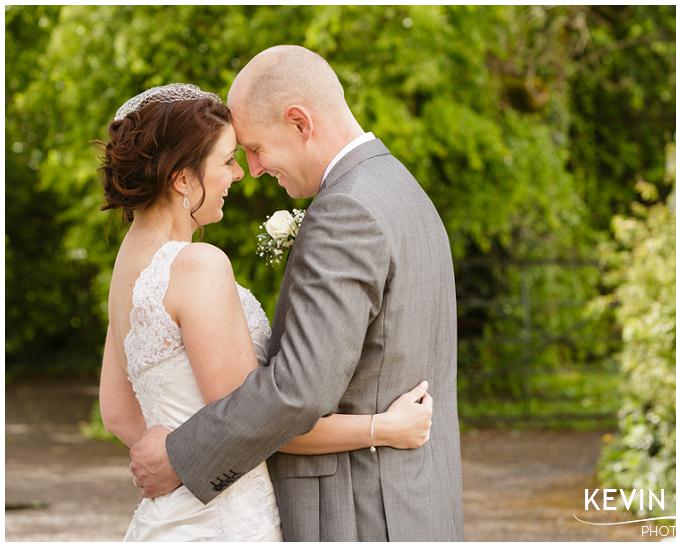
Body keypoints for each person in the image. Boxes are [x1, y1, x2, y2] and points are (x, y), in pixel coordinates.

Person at [130, 45, 464, 541]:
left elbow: (299, 389)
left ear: (299, 122)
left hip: (358, 512)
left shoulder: (345, 211)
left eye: (257, 149)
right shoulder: (399, 188)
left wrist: (182, 453)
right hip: (413, 503)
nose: (256, 170)